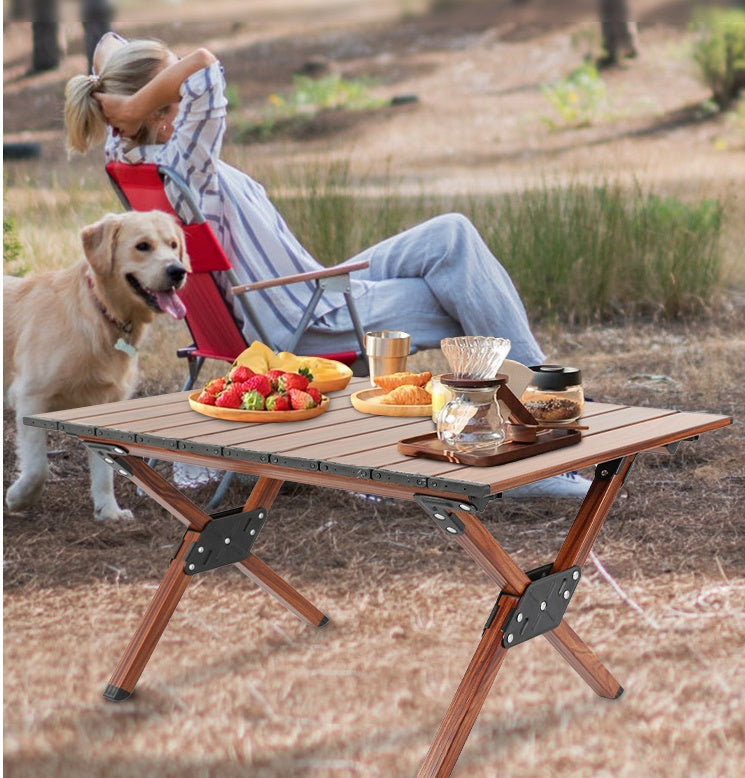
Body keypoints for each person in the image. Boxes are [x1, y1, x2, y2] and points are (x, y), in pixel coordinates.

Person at [64, 32, 590, 499]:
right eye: (168, 97)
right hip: (308, 318)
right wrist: (148, 95)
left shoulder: (129, 153)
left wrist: (132, 102)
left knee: (451, 235)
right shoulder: (186, 163)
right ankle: (540, 427)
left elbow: (109, 45)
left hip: (306, 291)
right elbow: (204, 65)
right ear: (163, 113)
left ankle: (530, 406)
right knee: (461, 291)